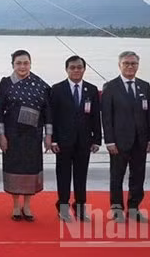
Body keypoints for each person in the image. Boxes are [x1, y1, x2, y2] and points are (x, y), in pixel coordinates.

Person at [101, 51, 150, 223]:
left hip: (140, 141)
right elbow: (107, 117)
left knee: (138, 176)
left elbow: (149, 116)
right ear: (120, 65)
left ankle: (134, 208)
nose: (130, 66)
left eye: (133, 63)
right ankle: (117, 209)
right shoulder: (110, 87)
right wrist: (109, 141)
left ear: (138, 65)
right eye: (126, 63)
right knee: (116, 177)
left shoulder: (144, 86)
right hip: (118, 142)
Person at [0, 50, 52, 222]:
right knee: (14, 169)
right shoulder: (6, 83)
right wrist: (1, 135)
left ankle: (27, 206)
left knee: (30, 169)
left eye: (25, 63)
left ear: (30, 63)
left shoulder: (41, 85)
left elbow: (48, 112)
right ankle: (15, 205)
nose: (22, 66)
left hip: (33, 136)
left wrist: (48, 136)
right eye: (18, 63)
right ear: (13, 64)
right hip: (12, 136)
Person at [49, 55, 102, 222]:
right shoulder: (57, 89)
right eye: (72, 67)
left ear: (84, 69)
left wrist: (97, 139)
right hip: (63, 142)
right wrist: (53, 140)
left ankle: (79, 207)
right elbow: (52, 116)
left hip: (84, 141)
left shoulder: (91, 89)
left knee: (81, 176)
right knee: (63, 176)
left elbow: (95, 116)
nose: (76, 70)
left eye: (79, 67)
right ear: (66, 69)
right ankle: (63, 207)